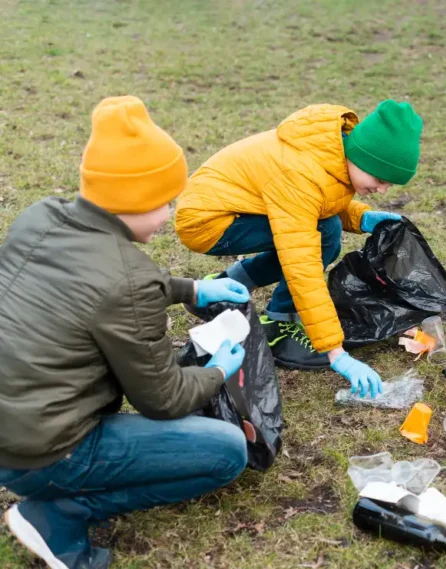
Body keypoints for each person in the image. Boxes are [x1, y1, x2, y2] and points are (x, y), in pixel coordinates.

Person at [0, 96, 251, 569]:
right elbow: (164, 400)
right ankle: (60, 514)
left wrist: (190, 289)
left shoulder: (41, 216)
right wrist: (218, 370)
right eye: (166, 201)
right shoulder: (128, 278)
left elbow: (87, 287)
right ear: (135, 200)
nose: (169, 213)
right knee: (228, 452)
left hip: (10, 428)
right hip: (46, 452)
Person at [175, 100, 423, 397]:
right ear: (363, 157)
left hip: (236, 206)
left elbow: (318, 203)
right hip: (207, 221)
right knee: (319, 237)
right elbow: (300, 263)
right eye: (380, 179)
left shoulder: (334, 153)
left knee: (325, 229)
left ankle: (222, 286)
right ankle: (279, 324)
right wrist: (336, 353)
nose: (383, 190)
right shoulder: (301, 172)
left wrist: (360, 216)